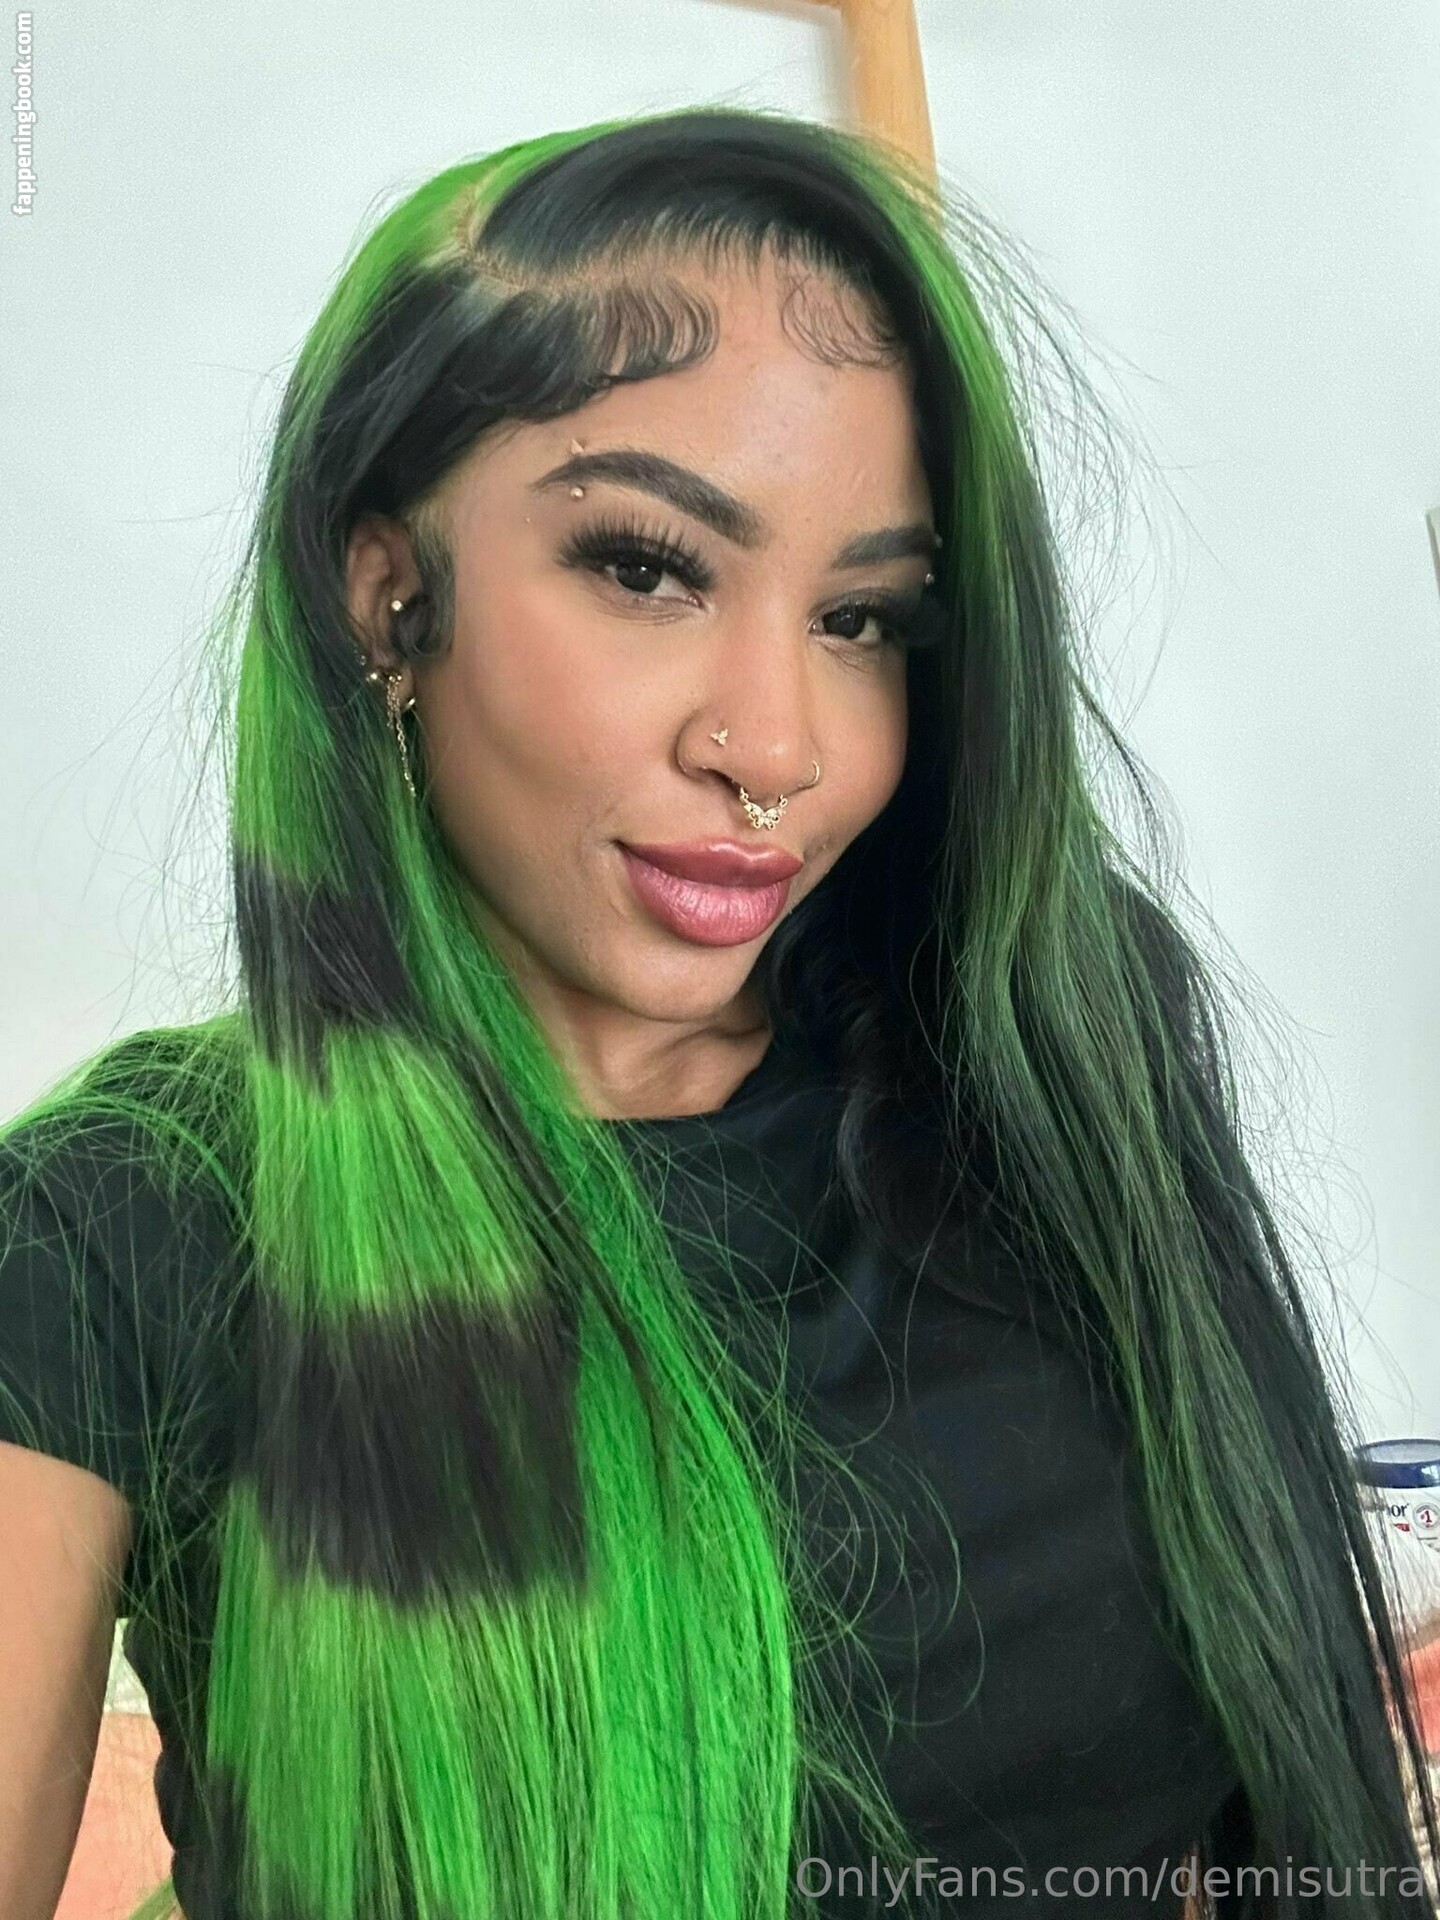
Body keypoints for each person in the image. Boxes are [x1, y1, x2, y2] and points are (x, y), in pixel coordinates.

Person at [0, 105, 1434, 1920]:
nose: (776, 750)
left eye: (864, 620)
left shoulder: (1047, 1062)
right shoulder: (130, 1220)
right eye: (648, 568)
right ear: (391, 596)